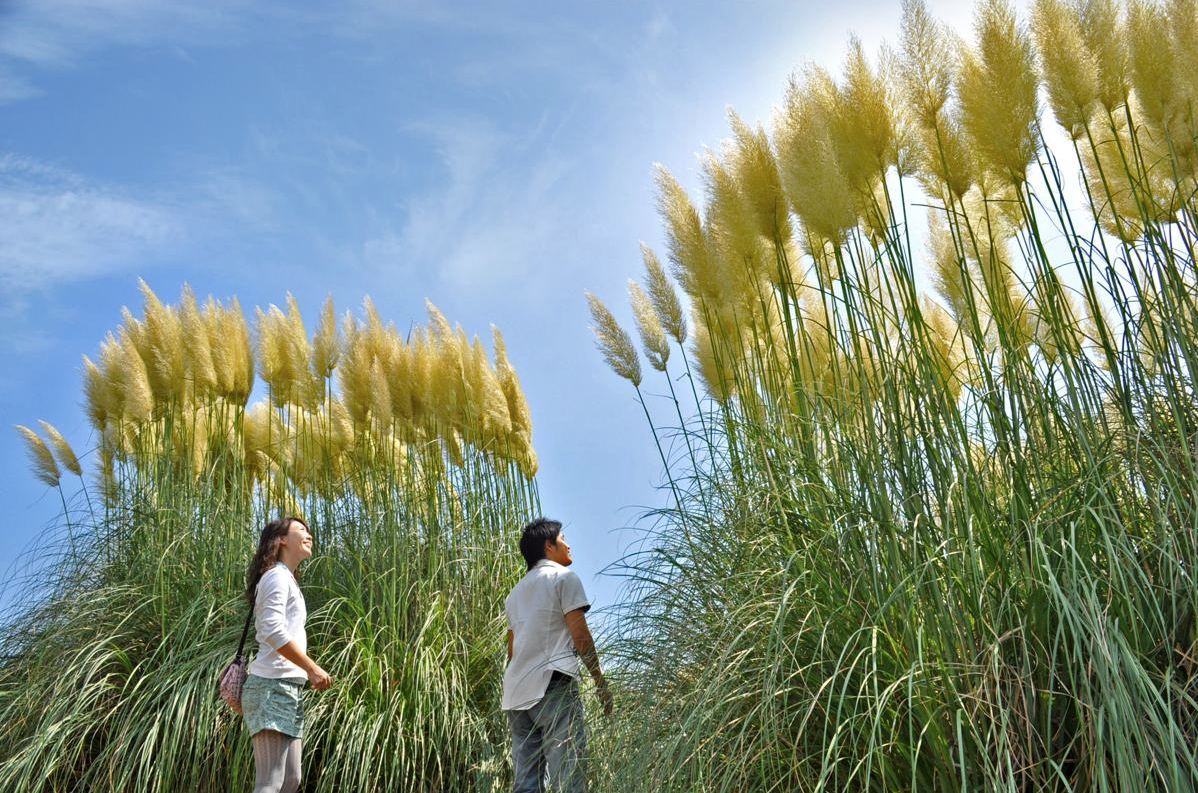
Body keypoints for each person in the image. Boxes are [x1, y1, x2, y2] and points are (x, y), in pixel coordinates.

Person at [503, 517, 613, 793]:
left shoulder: (514, 595)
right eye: (563, 539)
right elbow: (582, 638)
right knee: (570, 775)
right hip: (553, 684)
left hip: (516, 693)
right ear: (548, 546)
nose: (569, 545)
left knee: (526, 784)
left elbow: (511, 650)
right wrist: (600, 683)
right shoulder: (563, 578)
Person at [241, 516, 333, 793]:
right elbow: (271, 630)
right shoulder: (276, 576)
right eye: (301, 530)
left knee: (291, 781)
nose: (309, 535)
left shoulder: (287, 579)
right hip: (270, 687)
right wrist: (311, 668)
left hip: (287, 688)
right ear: (281, 540)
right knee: (271, 782)